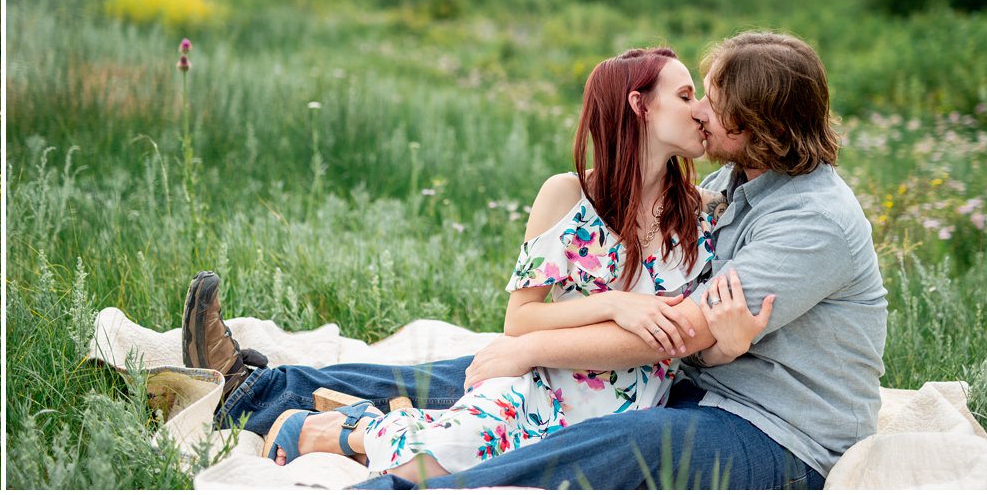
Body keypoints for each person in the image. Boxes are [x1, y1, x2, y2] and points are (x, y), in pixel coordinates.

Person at [191, 30, 886, 490]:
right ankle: (256, 390)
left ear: (749, 127)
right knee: (478, 366)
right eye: (694, 92)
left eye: (713, 98)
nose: (702, 108)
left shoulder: (815, 221)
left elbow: (679, 331)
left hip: (773, 433)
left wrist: (535, 348)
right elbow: (658, 301)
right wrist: (539, 341)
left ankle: (401, 477)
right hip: (698, 384)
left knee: (614, 442)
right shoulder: (734, 186)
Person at [259, 49, 760, 480]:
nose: (700, 112)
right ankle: (343, 429)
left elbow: (695, 333)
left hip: (624, 415)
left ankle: (359, 421)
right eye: (685, 95)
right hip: (541, 379)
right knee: (425, 467)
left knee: (490, 476)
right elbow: (519, 319)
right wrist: (616, 303)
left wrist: (728, 348)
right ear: (639, 105)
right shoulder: (567, 196)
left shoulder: (703, 213)